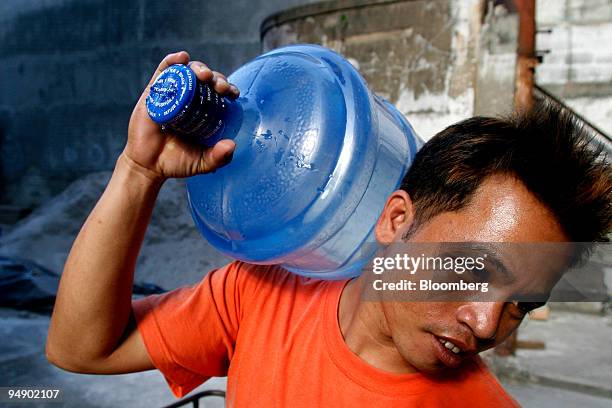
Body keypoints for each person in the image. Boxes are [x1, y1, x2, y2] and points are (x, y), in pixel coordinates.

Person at [45, 52, 612, 407]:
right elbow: (80, 349)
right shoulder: (261, 295)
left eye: (523, 304)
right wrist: (138, 171)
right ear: (396, 220)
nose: (488, 323)